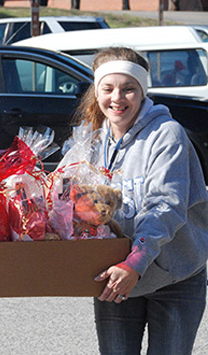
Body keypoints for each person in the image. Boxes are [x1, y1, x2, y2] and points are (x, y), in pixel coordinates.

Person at [71, 46, 208, 354]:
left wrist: (136, 261)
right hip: (115, 276)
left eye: (128, 89)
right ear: (97, 92)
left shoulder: (166, 135)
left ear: (143, 91)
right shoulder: (91, 142)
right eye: (108, 89)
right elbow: (69, 198)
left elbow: (166, 205)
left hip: (174, 275)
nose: (117, 98)